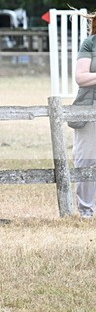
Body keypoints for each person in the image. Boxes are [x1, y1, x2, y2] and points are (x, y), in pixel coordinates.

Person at [73, 11, 96, 219]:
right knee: (87, 158)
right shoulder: (90, 44)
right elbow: (81, 77)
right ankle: (86, 211)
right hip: (91, 105)